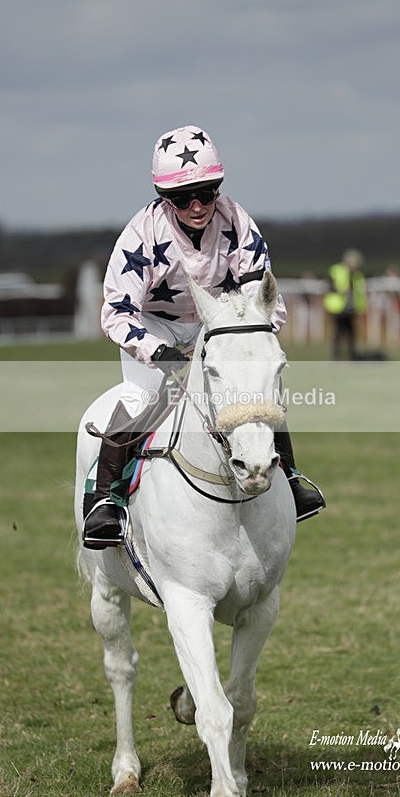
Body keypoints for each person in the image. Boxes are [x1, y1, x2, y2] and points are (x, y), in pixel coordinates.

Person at [83, 125, 325, 549]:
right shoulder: (140, 234)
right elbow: (116, 312)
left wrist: (236, 342)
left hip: (218, 325)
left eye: (207, 193)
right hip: (153, 326)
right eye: (181, 198)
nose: (196, 206)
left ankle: (289, 475)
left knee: (256, 390)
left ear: (219, 187)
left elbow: (262, 299)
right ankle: (105, 502)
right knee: (142, 397)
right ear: (164, 197)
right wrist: (161, 353)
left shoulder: (236, 221)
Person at [324, 248, 367, 360]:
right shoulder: (336, 270)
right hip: (338, 307)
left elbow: (360, 292)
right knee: (338, 332)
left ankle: (352, 356)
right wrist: (341, 291)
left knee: (352, 332)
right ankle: (337, 356)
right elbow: (329, 285)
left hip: (351, 308)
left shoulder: (357, 275)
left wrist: (361, 307)